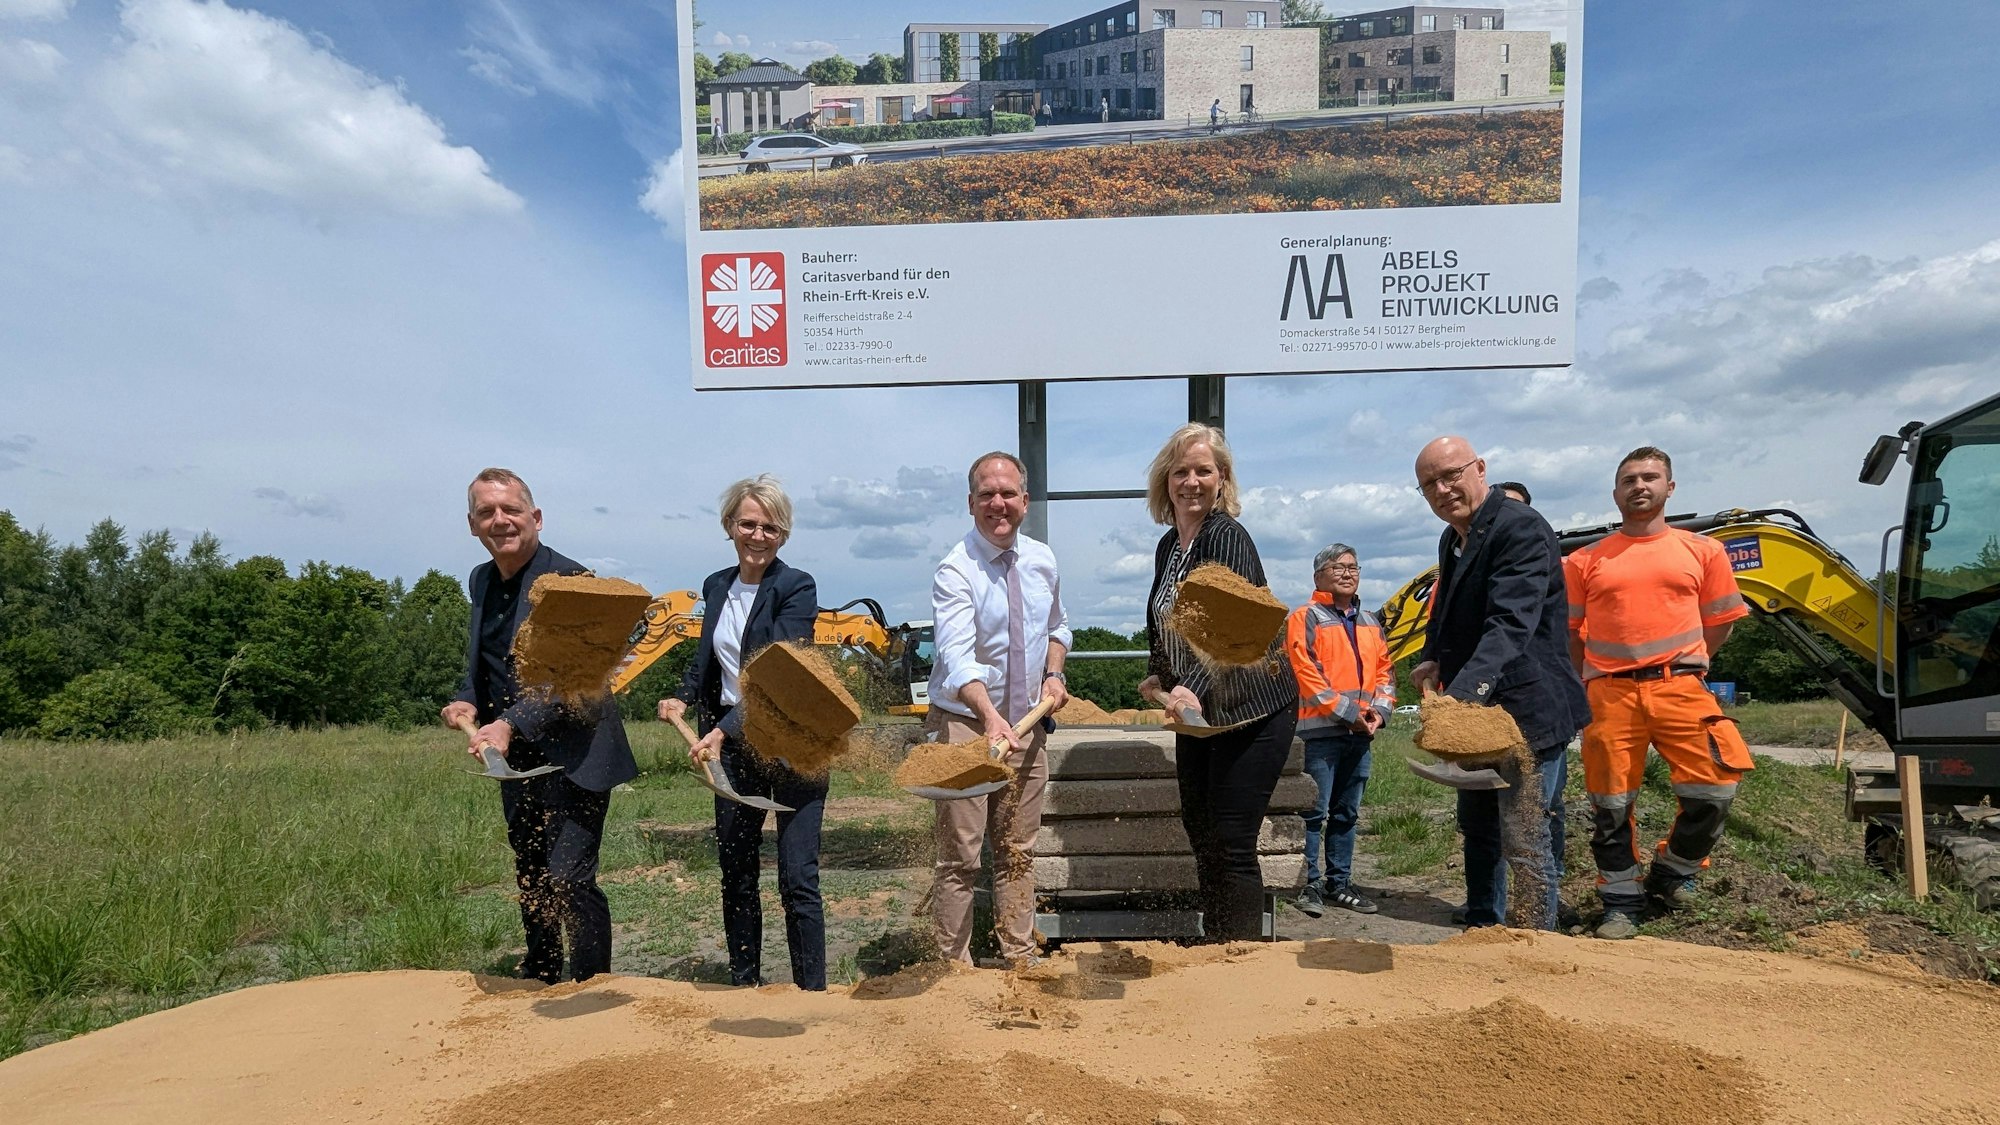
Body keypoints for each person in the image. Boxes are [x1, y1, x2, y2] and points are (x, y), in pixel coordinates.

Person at [443, 468, 636, 984]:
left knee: (568, 878)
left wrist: (508, 722)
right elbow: (482, 661)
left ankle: (593, 983)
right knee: (530, 872)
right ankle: (543, 972)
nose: (500, 520)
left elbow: (574, 676)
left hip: (579, 751)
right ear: (472, 524)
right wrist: (465, 700)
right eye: (487, 512)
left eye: (511, 509)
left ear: (537, 518)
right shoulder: (481, 579)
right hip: (517, 758)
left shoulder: (571, 583)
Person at [1564, 447, 1753, 940]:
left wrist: (1690, 663)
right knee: (1609, 806)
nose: (1639, 486)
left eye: (1650, 477)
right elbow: (1570, 632)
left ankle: (1673, 871)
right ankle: (1621, 901)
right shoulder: (1585, 560)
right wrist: (1586, 679)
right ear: (1615, 493)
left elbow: (1721, 622)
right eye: (1629, 479)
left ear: (1670, 488)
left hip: (1682, 687)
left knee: (1715, 788)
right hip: (1609, 694)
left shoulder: (1703, 551)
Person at [658, 475, 828, 988]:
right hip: (730, 748)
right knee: (737, 870)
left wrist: (725, 731)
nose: (757, 535)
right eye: (748, 523)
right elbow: (708, 657)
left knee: (797, 876)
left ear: (784, 534)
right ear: (729, 524)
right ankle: (745, 982)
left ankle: (811, 991)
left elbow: (780, 675)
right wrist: (683, 697)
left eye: (770, 527)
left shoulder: (796, 587)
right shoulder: (715, 585)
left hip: (793, 742)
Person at [1411, 437, 1587, 931]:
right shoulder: (1453, 538)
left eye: (1451, 475)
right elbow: (1445, 612)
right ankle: (1484, 928)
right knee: (1480, 828)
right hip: (1482, 715)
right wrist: (1432, 659)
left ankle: (1535, 940)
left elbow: (1511, 623)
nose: (1443, 490)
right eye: (1430, 485)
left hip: (1529, 708)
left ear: (1480, 469)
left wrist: (1458, 702)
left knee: (1525, 832)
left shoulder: (1521, 529)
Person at [1139, 424, 1299, 941]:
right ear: (1166, 480)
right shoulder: (1170, 545)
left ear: (1221, 479)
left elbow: (1235, 629)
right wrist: (1162, 674)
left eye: (1203, 471)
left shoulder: (1226, 537)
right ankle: (1216, 943)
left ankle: (1242, 957)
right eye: (1180, 471)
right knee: (1202, 832)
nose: (1191, 481)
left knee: (1232, 839)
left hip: (1253, 709)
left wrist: (1193, 685)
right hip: (1203, 716)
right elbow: (1166, 617)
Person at [926, 451, 1072, 968]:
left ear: (1025, 502)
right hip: (966, 727)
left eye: (1008, 493)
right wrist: (991, 719)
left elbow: (1059, 628)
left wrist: (1054, 674)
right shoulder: (955, 571)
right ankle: (954, 969)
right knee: (961, 856)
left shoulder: (1042, 560)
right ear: (971, 504)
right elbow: (958, 660)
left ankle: (1019, 961)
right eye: (987, 494)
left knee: (1017, 852)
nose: (998, 503)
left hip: (1027, 728)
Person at [1284, 543, 1395, 917]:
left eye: (1353, 566)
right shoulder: (1306, 616)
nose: (1348, 572)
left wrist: (1379, 712)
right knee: (1313, 813)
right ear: (1318, 576)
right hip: (1321, 733)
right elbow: (1307, 673)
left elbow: (1385, 672)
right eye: (1338, 567)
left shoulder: (1370, 622)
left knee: (1347, 813)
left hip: (1360, 734)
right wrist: (1349, 712)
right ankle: (1308, 885)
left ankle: (1340, 882)